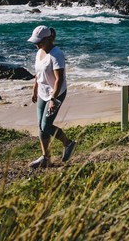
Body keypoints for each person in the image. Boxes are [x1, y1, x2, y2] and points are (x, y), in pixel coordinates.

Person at [27, 26, 76, 169]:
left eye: (39, 41)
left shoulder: (56, 54)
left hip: (56, 93)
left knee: (46, 125)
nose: (36, 45)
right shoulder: (39, 52)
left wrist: (53, 99)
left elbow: (59, 79)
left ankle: (68, 143)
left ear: (48, 39)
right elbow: (38, 73)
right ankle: (46, 158)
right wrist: (35, 89)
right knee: (41, 127)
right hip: (43, 92)